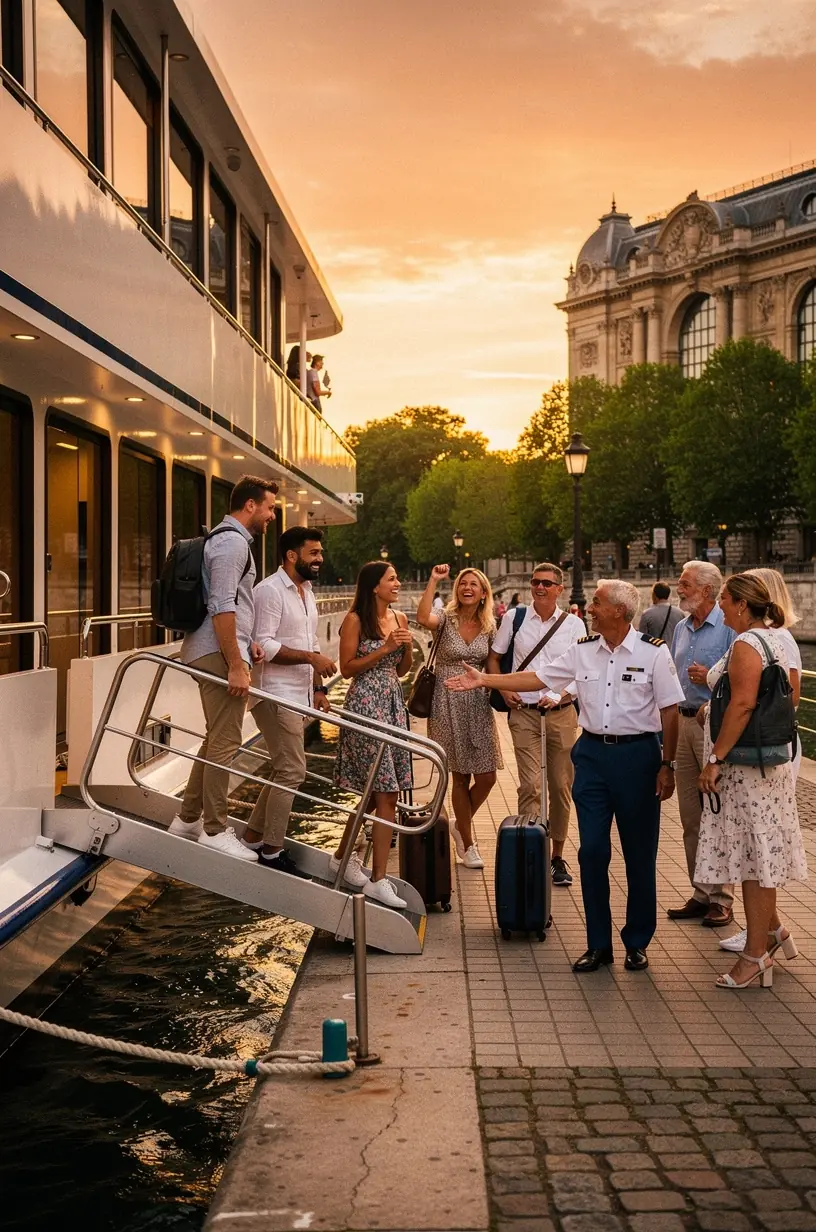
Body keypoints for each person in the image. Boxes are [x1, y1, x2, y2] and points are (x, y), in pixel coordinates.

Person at [446, 579, 684, 973]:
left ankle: (637, 941)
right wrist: (486, 680)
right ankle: (598, 945)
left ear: (619, 611)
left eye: (597, 603)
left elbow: (670, 711)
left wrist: (667, 764)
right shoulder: (584, 650)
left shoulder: (653, 653)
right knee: (591, 853)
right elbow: (538, 677)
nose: (589, 608)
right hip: (591, 757)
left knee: (639, 855)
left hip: (638, 758)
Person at [696, 573, 805, 990]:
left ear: (742, 604)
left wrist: (715, 759)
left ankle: (755, 955)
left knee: (754, 861)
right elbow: (784, 697)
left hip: (745, 771)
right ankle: (771, 933)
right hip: (768, 767)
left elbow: (742, 704)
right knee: (759, 854)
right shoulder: (777, 639)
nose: (720, 605)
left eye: (724, 598)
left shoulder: (746, 643)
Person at [170, 476, 278, 860]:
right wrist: (236, 664)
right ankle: (214, 829)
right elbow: (221, 605)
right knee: (226, 742)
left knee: (215, 737)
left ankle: (187, 819)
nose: (272, 515)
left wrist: (246, 644)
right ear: (250, 505)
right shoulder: (232, 543)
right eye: (269, 507)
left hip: (215, 649)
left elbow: (231, 606)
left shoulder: (226, 539)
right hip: (217, 653)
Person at [241, 526, 337, 873]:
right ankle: (271, 851)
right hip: (273, 694)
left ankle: (253, 838)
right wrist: (311, 659)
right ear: (292, 555)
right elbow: (263, 645)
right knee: (293, 770)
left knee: (285, 769)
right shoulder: (269, 591)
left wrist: (319, 689)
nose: (320, 558)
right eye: (314, 553)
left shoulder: (307, 591)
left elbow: (312, 642)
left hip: (298, 696)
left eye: (320, 552)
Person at [486, 562, 585, 888]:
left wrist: (561, 695)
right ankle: (530, 852)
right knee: (530, 785)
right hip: (524, 712)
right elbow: (494, 657)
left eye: (547, 583)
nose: (540, 588)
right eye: (535, 582)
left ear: (559, 589)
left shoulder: (574, 625)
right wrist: (504, 689)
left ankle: (556, 856)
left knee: (560, 786)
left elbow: (583, 671)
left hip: (562, 713)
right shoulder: (514, 618)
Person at [332, 562, 414, 909]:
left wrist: (406, 648)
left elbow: (402, 669)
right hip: (365, 703)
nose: (398, 583)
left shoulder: (400, 618)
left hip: (392, 702)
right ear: (374, 586)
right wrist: (384, 648)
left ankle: (341, 856)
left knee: (372, 795)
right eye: (392, 579)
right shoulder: (355, 620)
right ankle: (379, 879)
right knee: (386, 793)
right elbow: (346, 668)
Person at [416, 563, 503, 869]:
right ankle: (467, 844)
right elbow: (421, 617)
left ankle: (458, 824)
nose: (467, 588)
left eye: (473, 584)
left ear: (483, 593)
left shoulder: (490, 625)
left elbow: (492, 664)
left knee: (487, 777)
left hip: (477, 702)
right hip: (446, 700)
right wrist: (433, 579)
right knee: (460, 775)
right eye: (463, 583)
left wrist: (503, 690)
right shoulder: (445, 618)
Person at [666, 562, 736, 928]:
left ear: (706, 590)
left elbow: (741, 680)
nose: (679, 589)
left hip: (713, 725)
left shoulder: (729, 627)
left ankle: (722, 898)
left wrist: (709, 680)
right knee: (691, 816)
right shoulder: (681, 627)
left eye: (685, 584)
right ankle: (700, 892)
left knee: (717, 814)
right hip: (682, 722)